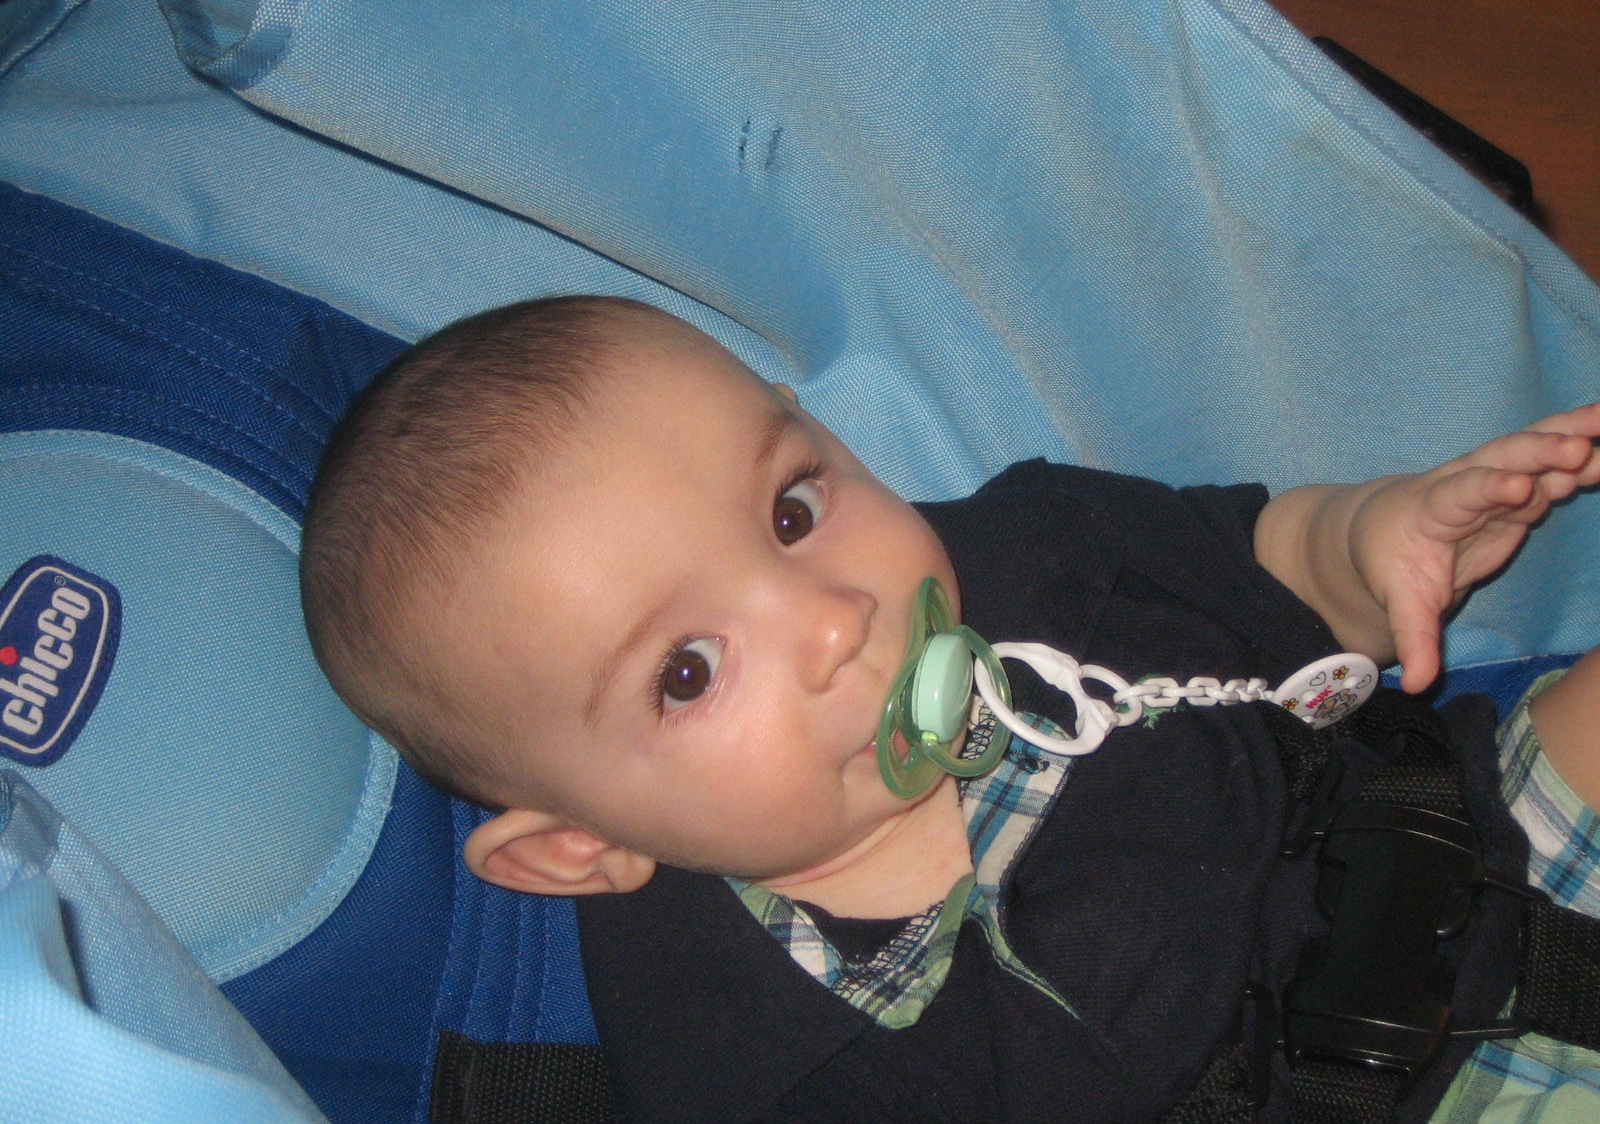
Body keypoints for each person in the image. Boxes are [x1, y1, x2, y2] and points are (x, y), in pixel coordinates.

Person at [300, 294, 1600, 1122]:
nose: (831, 619)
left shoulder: (1039, 549)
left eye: (792, 511)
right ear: (580, 847)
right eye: (687, 671)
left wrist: (1373, 542)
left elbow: (1252, 556)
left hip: (1468, 838)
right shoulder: (742, 1067)